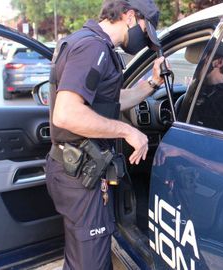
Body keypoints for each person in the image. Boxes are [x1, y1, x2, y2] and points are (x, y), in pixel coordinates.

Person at [45, 0, 164, 269]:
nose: (144, 41)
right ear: (130, 16)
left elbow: (108, 102)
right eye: (146, 32)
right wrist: (128, 131)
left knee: (82, 259)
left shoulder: (92, 44)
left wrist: (153, 83)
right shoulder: (92, 47)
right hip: (80, 175)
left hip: (75, 170)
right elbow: (67, 114)